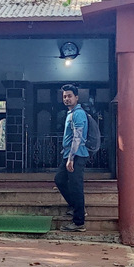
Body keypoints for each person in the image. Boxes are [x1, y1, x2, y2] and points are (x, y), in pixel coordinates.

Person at [55, 83, 88, 232]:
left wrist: (71, 157)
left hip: (76, 155)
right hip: (69, 154)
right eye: (64, 96)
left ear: (76, 97)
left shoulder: (78, 113)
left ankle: (79, 222)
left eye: (69, 96)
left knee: (76, 187)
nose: (67, 99)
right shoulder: (71, 113)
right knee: (59, 179)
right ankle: (76, 207)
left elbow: (78, 137)